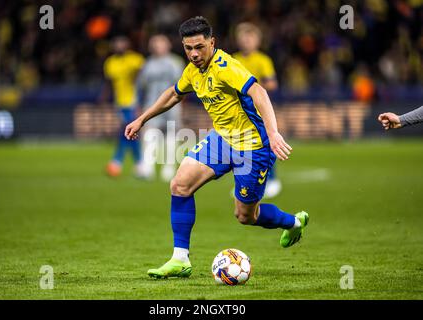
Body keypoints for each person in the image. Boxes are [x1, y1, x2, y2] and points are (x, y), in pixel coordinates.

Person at [125, 17, 309, 279]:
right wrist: (142, 119)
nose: (194, 54)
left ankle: (294, 222)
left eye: (199, 47)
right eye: (188, 48)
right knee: (179, 185)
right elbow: (174, 93)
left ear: (212, 42)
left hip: (252, 147)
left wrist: (273, 132)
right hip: (222, 140)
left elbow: (259, 92)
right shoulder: (193, 69)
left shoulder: (225, 67)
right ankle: (180, 259)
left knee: (246, 216)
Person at [233, 22, 281, 198]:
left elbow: (272, 84)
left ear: (257, 41)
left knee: (265, 145)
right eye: (243, 38)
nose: (246, 42)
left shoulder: (262, 60)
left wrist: (252, 88)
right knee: (239, 147)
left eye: (250, 38)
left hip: (258, 110)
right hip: (238, 112)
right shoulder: (233, 59)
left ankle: (273, 180)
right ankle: (242, 184)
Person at [136, 35, 184, 181]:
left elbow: (183, 86)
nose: (158, 46)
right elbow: (141, 87)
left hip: (172, 105)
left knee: (171, 136)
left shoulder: (176, 62)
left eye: (161, 43)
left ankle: (169, 168)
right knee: (150, 135)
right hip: (152, 104)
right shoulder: (147, 64)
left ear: (168, 45)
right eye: (155, 44)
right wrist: (139, 105)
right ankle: (147, 167)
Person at [99, 36, 145, 177]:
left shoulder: (136, 60)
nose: (119, 46)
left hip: (134, 102)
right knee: (129, 134)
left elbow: (143, 81)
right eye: (116, 44)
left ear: (128, 45)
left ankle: (117, 161)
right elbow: (109, 83)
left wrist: (141, 102)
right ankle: (139, 163)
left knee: (127, 132)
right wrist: (104, 98)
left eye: (122, 43)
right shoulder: (110, 63)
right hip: (120, 103)